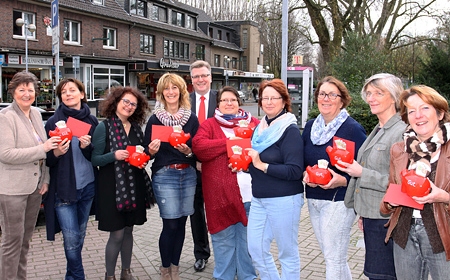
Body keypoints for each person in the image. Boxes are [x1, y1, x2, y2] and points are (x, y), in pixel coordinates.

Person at [340, 73, 406, 280]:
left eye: (379, 93)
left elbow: (402, 183)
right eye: (368, 93)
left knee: (383, 275)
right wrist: (363, 213)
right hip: (373, 216)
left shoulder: (402, 131)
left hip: (386, 218)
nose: (371, 98)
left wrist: (361, 173)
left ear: (395, 97)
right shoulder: (379, 128)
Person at [380, 85, 450, 279]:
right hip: (404, 237)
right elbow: (387, 199)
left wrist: (443, 196)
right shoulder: (399, 149)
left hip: (443, 238)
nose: (418, 115)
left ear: (440, 112)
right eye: (412, 111)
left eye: (425, 108)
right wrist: (390, 202)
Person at [302, 76, 366, 280]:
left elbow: (365, 169)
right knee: (332, 255)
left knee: (333, 259)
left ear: (342, 99)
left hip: (339, 201)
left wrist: (343, 180)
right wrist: (305, 174)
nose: (326, 98)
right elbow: (301, 159)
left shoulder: (352, 129)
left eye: (332, 94)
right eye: (322, 94)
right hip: (313, 199)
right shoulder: (311, 127)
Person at [192, 86, 259, 280]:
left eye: (232, 100)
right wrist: (230, 142)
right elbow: (199, 148)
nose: (228, 103)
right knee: (223, 242)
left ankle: (248, 276)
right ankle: (224, 277)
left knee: (248, 243)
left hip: (251, 195)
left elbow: (266, 146)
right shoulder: (209, 125)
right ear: (218, 104)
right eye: (224, 100)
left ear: (239, 102)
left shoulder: (254, 123)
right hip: (219, 197)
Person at [0, 71, 58, 279]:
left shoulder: (35, 113)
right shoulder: (6, 117)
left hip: (34, 188)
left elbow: (44, 152)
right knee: (11, 241)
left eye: (30, 90)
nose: (26, 94)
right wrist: (43, 148)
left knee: (25, 240)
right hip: (12, 190)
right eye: (21, 89)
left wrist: (45, 178)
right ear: (13, 92)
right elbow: (6, 154)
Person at [246, 79, 304, 279]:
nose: (269, 102)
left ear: (284, 101)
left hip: (284, 199)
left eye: (274, 98)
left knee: (287, 254)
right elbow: (255, 164)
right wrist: (243, 165)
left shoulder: (289, 130)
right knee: (256, 250)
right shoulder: (260, 129)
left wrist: (262, 165)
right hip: (259, 198)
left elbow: (295, 171)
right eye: (265, 98)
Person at [91, 86, 152, 280]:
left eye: (133, 104)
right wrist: (114, 155)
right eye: (126, 101)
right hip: (111, 188)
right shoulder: (104, 127)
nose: (129, 106)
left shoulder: (135, 128)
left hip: (134, 186)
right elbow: (95, 159)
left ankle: (126, 271)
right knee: (116, 234)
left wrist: (148, 154)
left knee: (128, 231)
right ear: (116, 102)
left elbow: (142, 155)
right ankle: (110, 275)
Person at [144, 73, 198, 280]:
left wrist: (188, 152)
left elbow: (197, 150)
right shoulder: (155, 119)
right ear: (161, 93)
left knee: (182, 223)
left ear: (181, 91)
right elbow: (147, 154)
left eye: (174, 88)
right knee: (170, 224)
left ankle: (175, 268)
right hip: (165, 175)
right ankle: (165, 268)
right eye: (166, 88)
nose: (171, 92)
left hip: (188, 174)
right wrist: (152, 151)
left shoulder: (191, 119)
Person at [44, 78, 98, 280]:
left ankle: (70, 276)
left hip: (88, 187)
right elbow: (47, 160)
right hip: (64, 190)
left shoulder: (92, 121)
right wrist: (56, 152)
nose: (68, 94)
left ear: (82, 94)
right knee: (71, 238)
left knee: (78, 237)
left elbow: (97, 156)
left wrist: (88, 147)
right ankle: (78, 276)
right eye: (63, 92)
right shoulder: (53, 122)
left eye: (72, 90)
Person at [188, 60, 215, 272]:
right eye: (196, 76)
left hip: (217, 167)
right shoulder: (183, 102)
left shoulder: (223, 99)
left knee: (221, 211)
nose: (200, 79)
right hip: (190, 167)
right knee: (196, 213)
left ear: (210, 77)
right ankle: (201, 254)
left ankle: (228, 253)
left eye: (204, 75)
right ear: (191, 79)